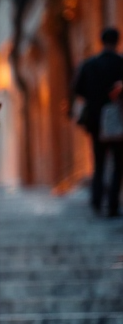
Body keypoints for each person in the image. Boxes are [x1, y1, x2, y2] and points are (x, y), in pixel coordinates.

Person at [72, 26, 123, 216]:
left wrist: (94, 99)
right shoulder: (120, 63)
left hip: (96, 120)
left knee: (99, 161)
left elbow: (78, 90)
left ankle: (96, 200)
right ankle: (113, 204)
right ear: (117, 41)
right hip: (118, 119)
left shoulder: (89, 64)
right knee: (118, 163)